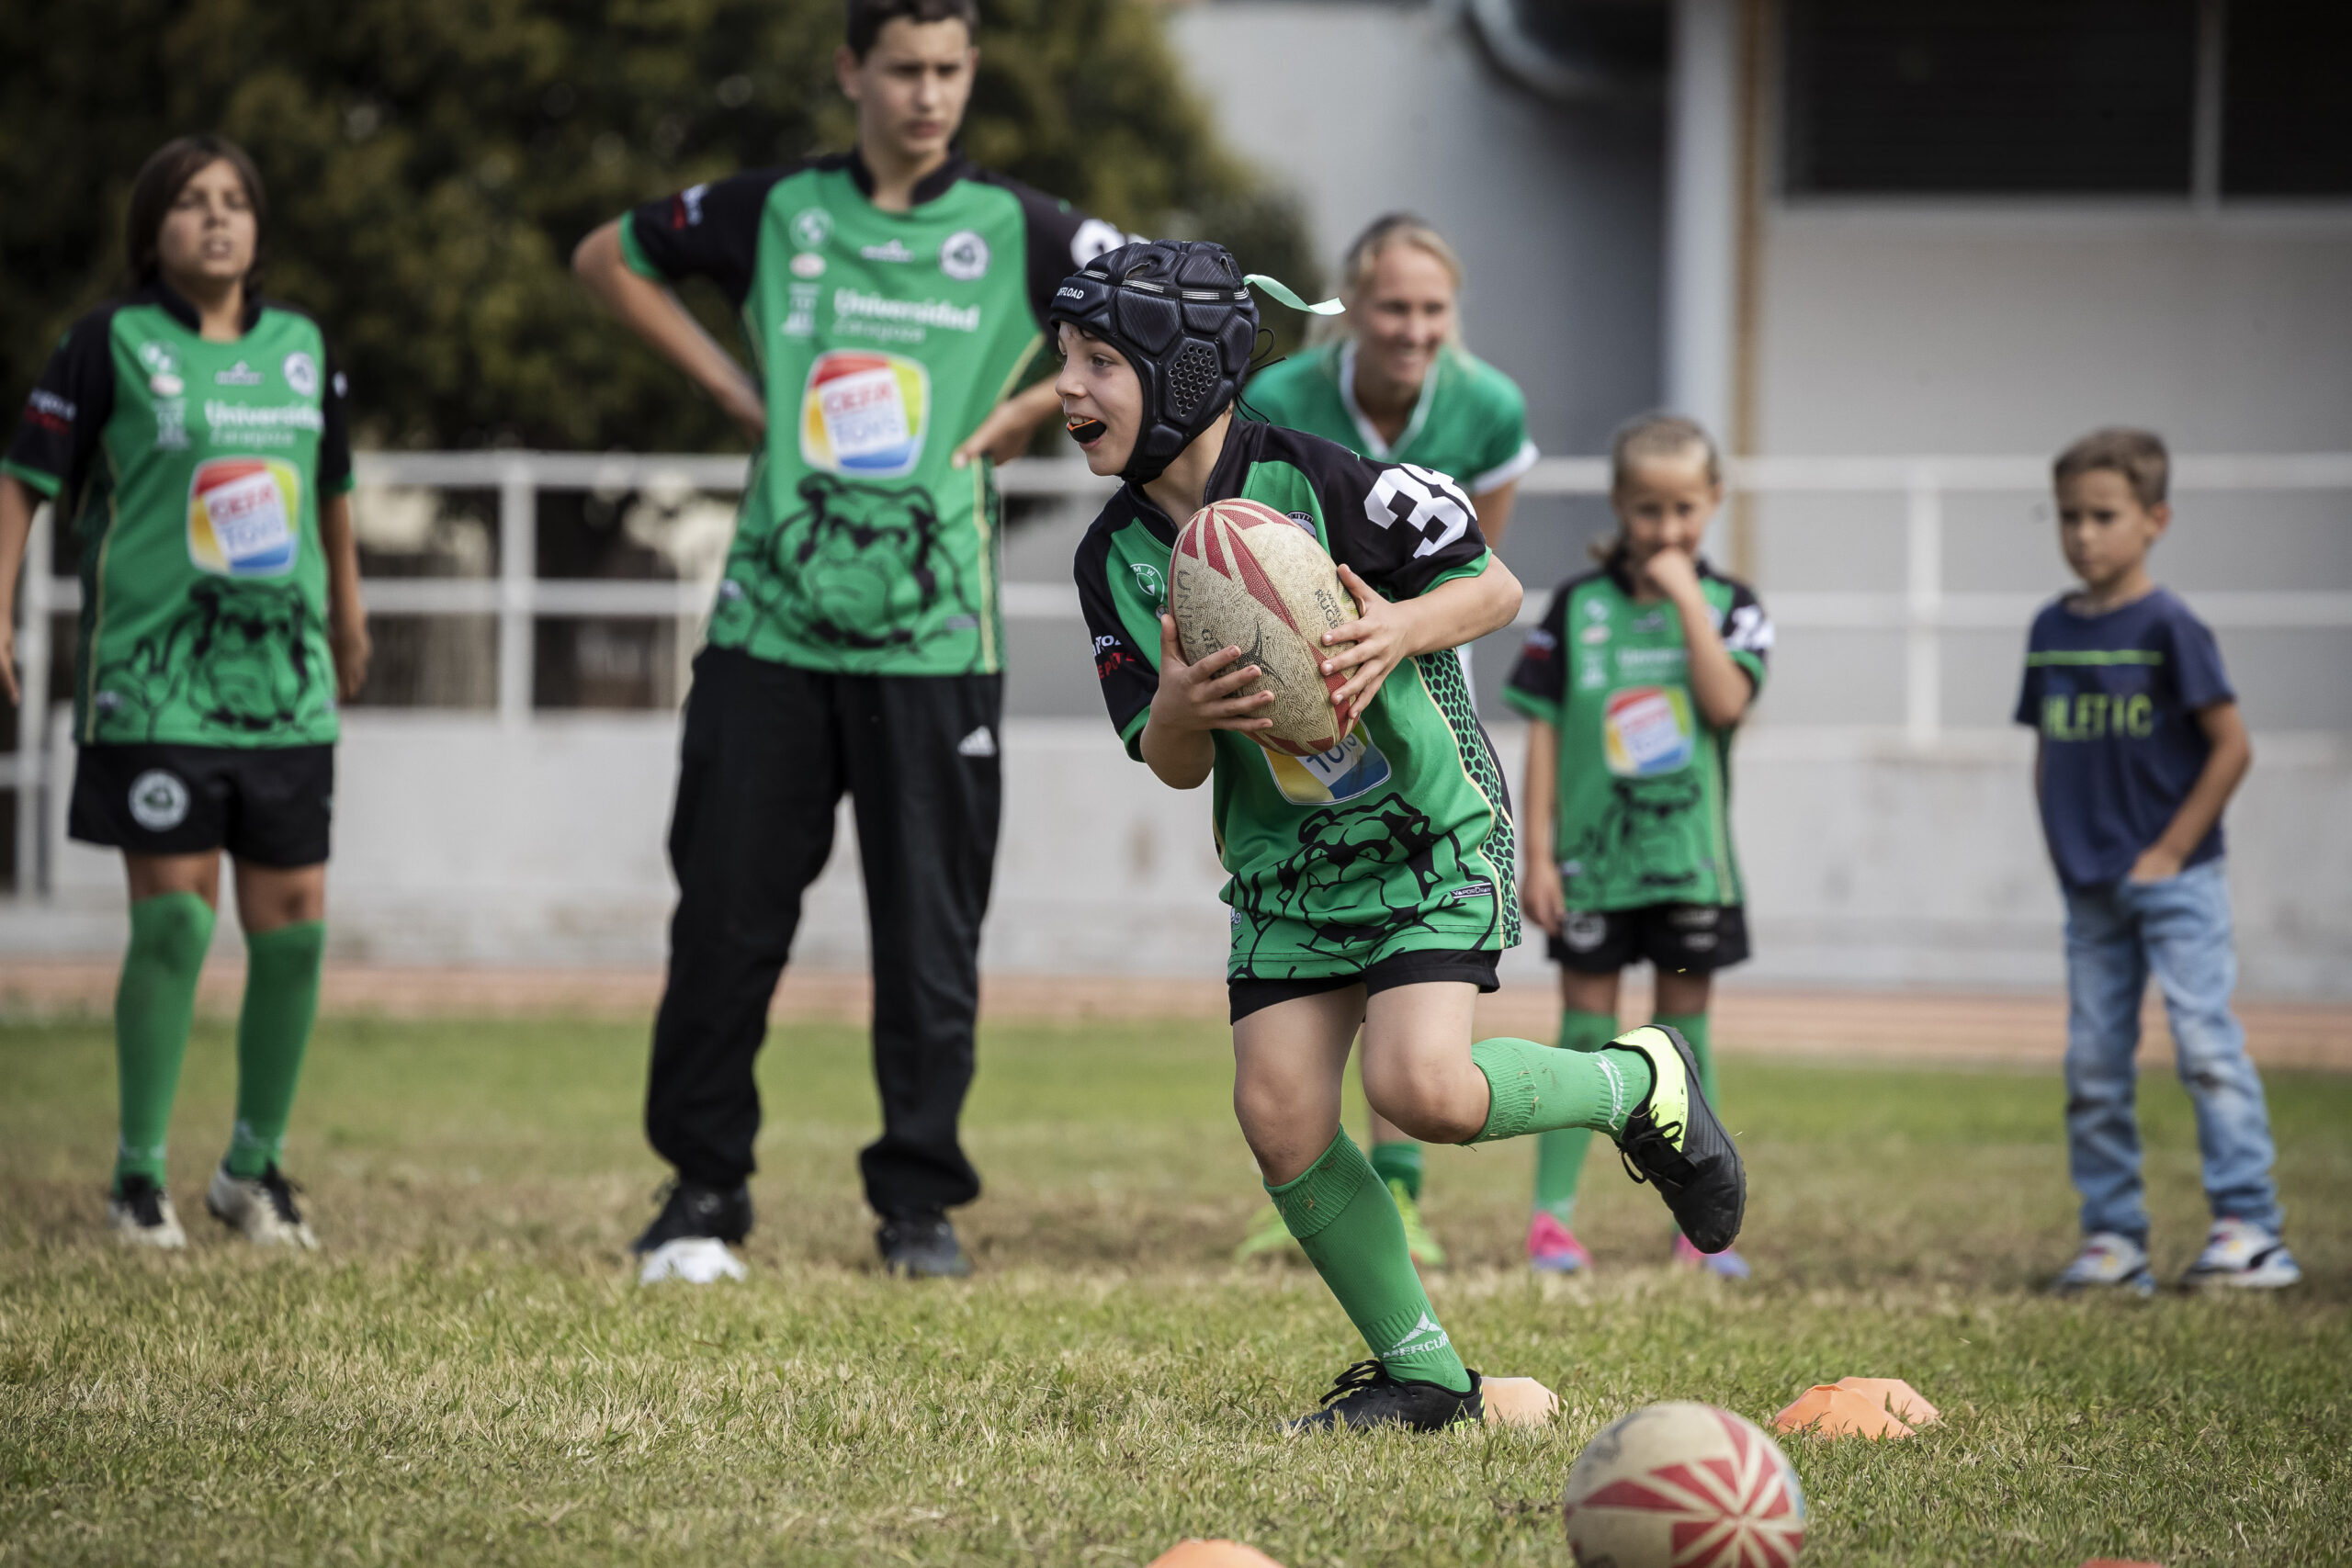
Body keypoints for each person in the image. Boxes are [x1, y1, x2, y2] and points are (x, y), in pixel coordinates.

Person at [1062, 238, 1743, 1429]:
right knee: (1278, 1114)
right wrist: (1178, 707)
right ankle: (1427, 1374)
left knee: (1420, 1084)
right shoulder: (1109, 557)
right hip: (1287, 869)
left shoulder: (1332, 482)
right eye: (1064, 359)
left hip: (1429, 833)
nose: (1067, 389)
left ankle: (1637, 1079)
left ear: (1178, 374)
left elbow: (1494, 588)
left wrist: (1401, 629)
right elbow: (1167, 761)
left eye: (1099, 361)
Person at [573, 0, 1125, 1284]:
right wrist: (730, 388)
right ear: (850, 73)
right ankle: (703, 1189)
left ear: (971, 74)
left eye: (949, 70)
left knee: (930, 935)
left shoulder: (1022, 226)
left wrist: (1041, 399)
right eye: (903, 70)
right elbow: (607, 255)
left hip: (936, 648)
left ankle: (918, 1204)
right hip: (768, 630)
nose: (928, 95)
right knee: (723, 917)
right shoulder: (775, 211)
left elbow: (1179, 295)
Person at [0, 135, 368, 1248]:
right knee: (174, 920)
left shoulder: (303, 349)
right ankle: (136, 1178)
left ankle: (250, 1173)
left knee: (294, 930)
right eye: (192, 203)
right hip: (152, 689)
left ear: (259, 228)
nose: (218, 220)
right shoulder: (108, 344)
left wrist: (350, 615)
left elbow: (336, 494)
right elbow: (22, 486)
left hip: (284, 689)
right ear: (152, 229)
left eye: (236, 203)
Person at [1231, 213, 1539, 1269]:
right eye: (1393, 308)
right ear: (1350, 311)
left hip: (1419, 678)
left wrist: (1402, 643)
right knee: (1306, 910)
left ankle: (1399, 1191)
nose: (1413, 330)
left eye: (1433, 310)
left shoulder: (1489, 404)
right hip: (1288, 698)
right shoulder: (1276, 404)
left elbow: (1477, 563)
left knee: (1406, 933)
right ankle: (1322, 1185)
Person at [2022, 429, 2296, 1294]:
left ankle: (2249, 1228)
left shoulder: (2172, 627)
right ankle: (2114, 1238)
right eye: (2069, 516)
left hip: (2178, 884)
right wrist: (2063, 852)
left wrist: (2170, 851)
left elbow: (2232, 746)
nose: (2084, 535)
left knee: (2207, 1047)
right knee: (2094, 1065)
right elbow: (2047, 751)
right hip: (2091, 890)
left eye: (2104, 516)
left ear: (2155, 520)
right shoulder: (2050, 628)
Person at [1501, 414, 1769, 1280]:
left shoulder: (1735, 607)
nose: (1665, 528)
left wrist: (1689, 599)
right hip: (1591, 869)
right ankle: (1553, 1220)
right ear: (1619, 505)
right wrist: (1537, 856)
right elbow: (1541, 735)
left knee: (1684, 1038)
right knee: (1585, 1030)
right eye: (1647, 509)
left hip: (1690, 871)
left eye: (1685, 508)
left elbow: (1728, 704)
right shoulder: (1577, 607)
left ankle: (1698, 1231)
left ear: (1714, 502)